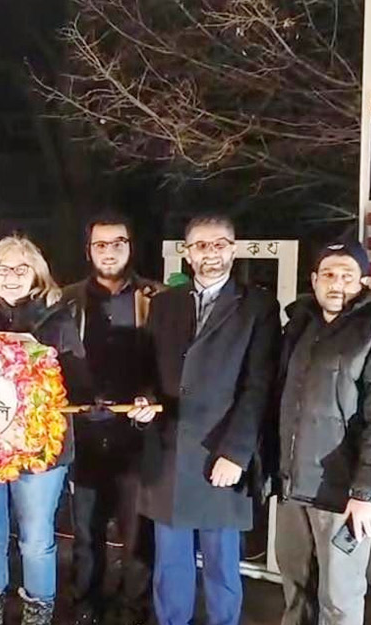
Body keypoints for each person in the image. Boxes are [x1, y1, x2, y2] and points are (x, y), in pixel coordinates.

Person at [129, 215, 280, 625]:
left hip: (222, 453)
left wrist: (237, 452)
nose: (210, 254)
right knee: (170, 568)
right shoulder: (165, 304)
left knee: (221, 568)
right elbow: (147, 369)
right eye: (200, 245)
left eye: (219, 245)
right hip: (169, 452)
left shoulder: (258, 306)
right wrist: (144, 401)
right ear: (187, 253)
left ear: (234, 249)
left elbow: (259, 386)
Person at [274, 240, 371, 625]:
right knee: (296, 594)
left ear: (364, 282)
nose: (336, 284)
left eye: (346, 276)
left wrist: (368, 494)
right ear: (314, 280)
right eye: (329, 275)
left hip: (343, 494)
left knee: (339, 601)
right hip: (293, 489)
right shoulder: (299, 327)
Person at [0, 235, 92, 625]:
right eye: (3, 268)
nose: (12, 276)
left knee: (36, 538)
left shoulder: (59, 318)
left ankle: (38, 617)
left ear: (37, 275)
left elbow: (79, 381)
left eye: (21, 268)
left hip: (41, 449)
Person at [60, 212, 161, 625]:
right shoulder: (66, 300)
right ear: (88, 250)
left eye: (118, 242)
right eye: (100, 244)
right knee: (86, 533)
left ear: (130, 247)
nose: (109, 251)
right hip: (85, 432)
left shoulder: (155, 297)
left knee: (138, 536)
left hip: (139, 435)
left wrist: (151, 400)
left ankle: (134, 611)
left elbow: (170, 361)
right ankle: (86, 607)